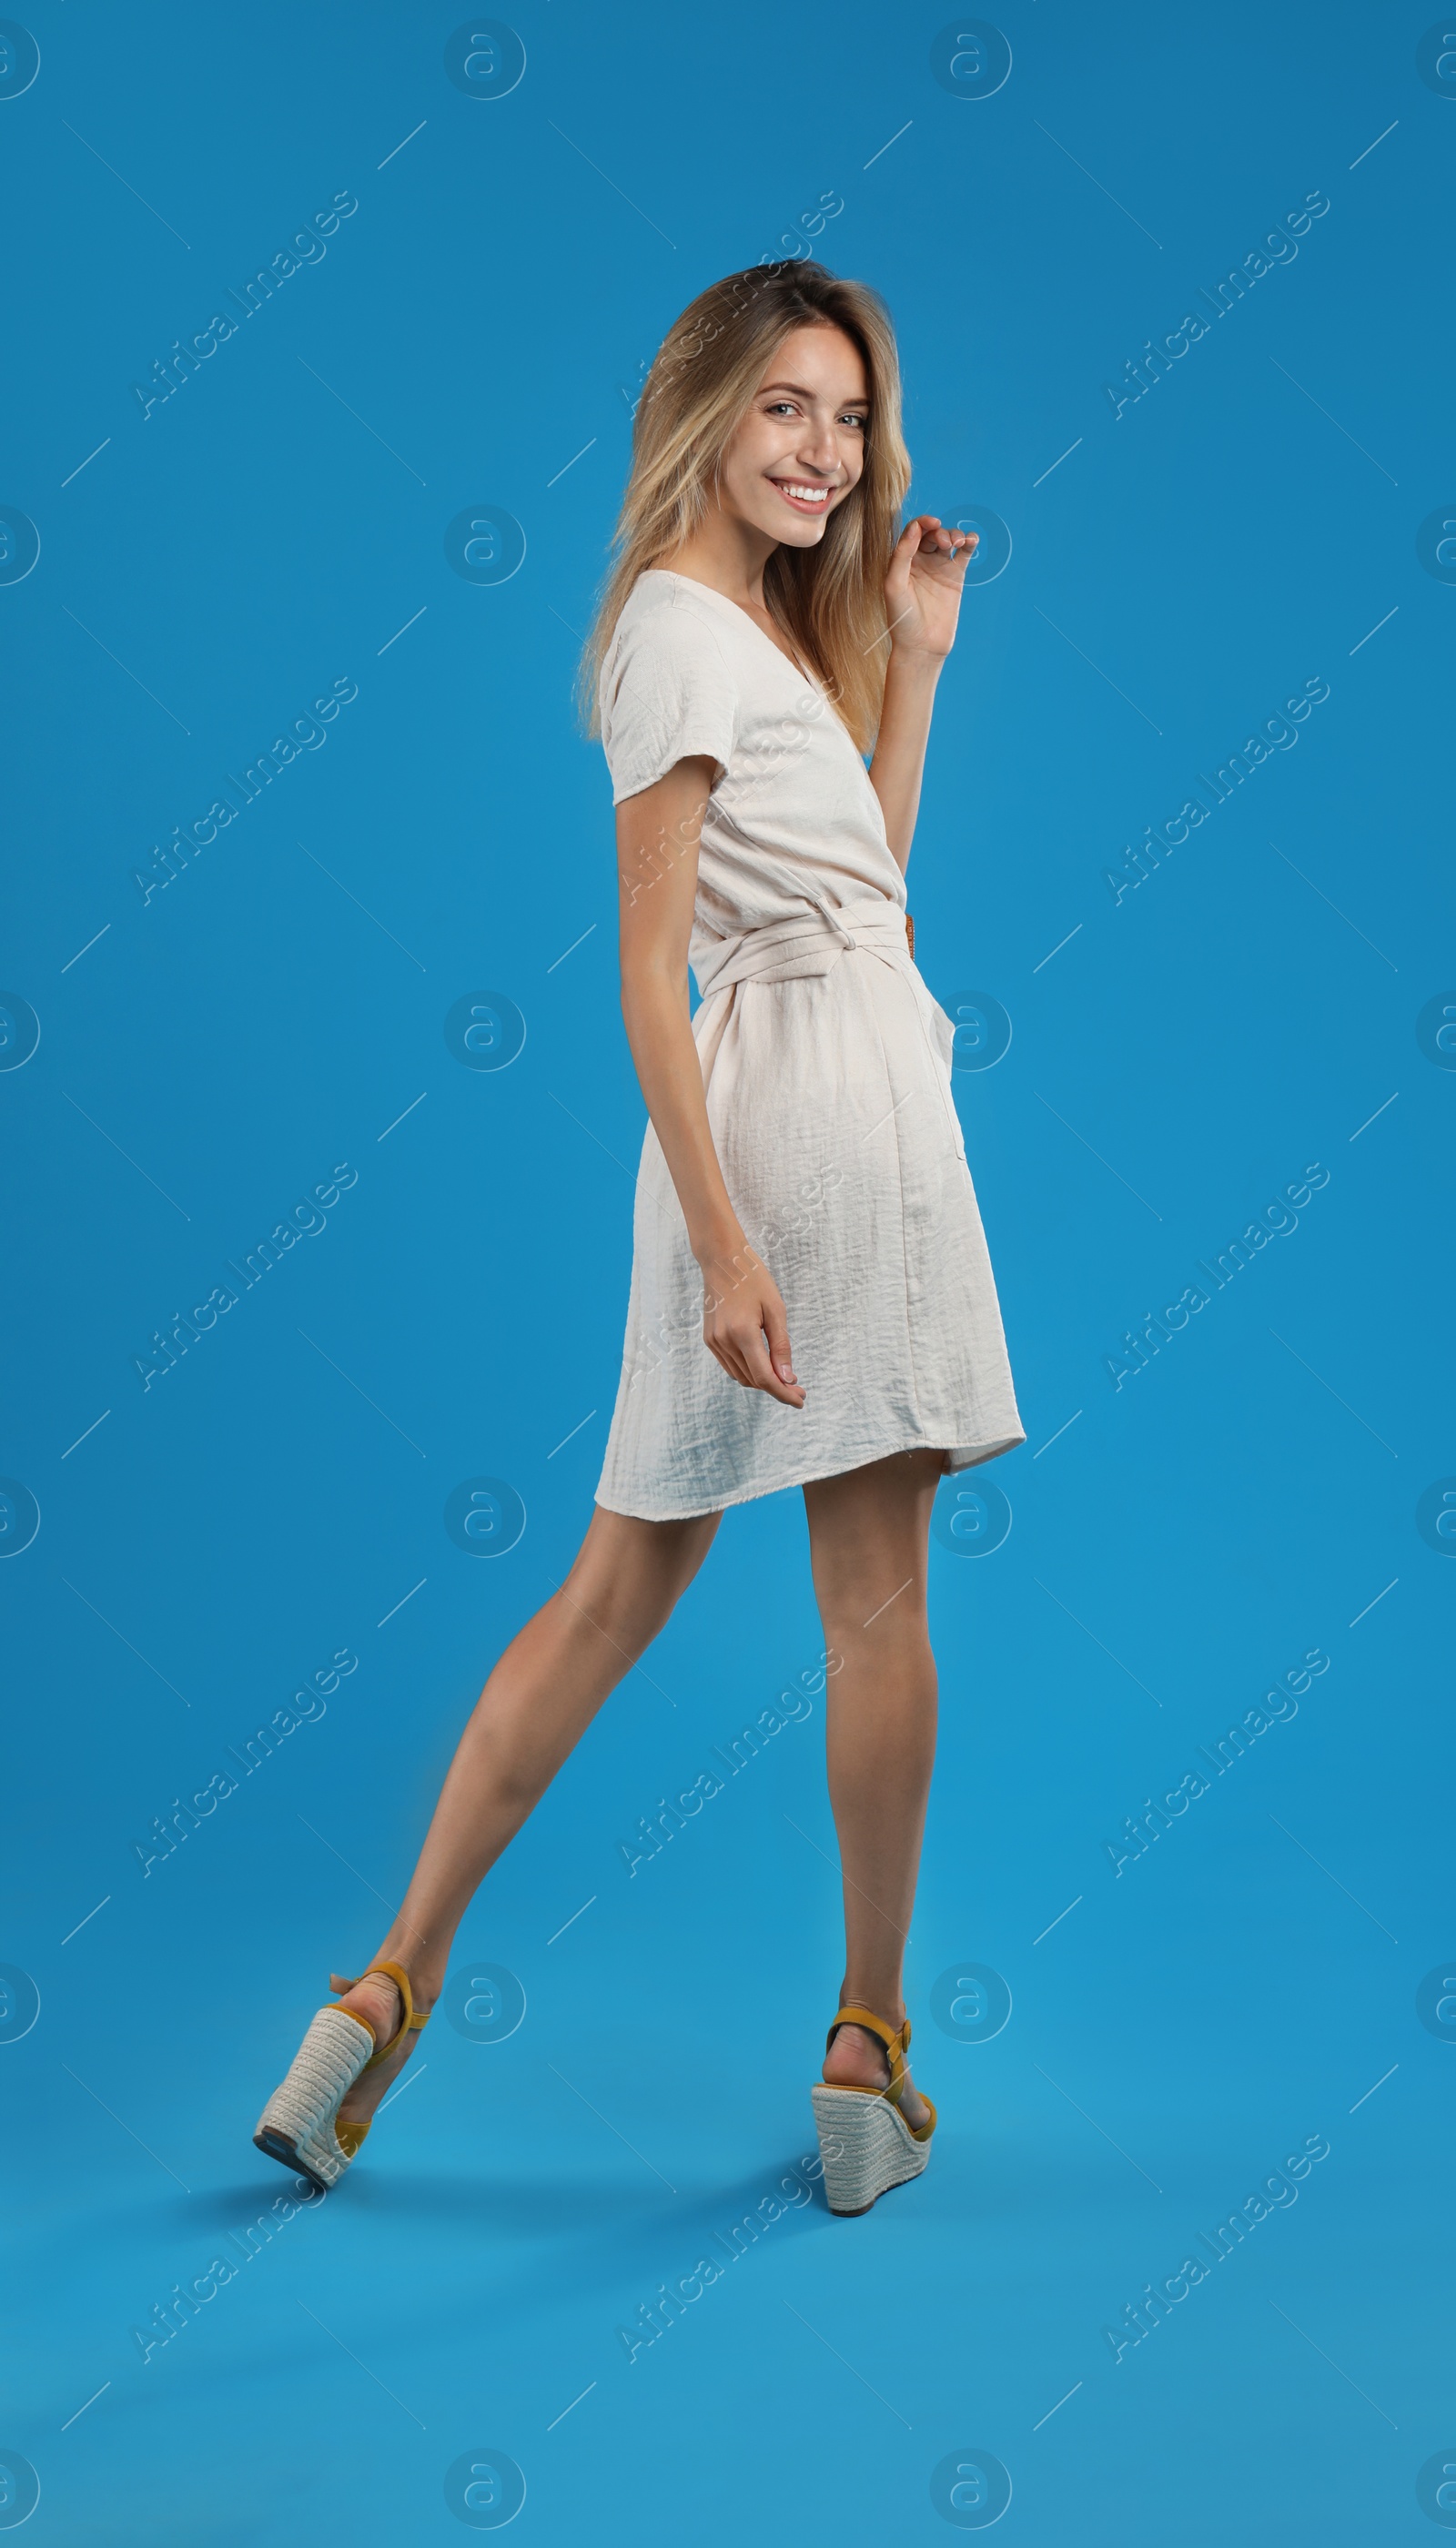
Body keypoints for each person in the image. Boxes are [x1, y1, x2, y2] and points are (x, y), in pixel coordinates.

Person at [254, 261, 1023, 2218]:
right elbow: (639, 969)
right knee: (871, 1609)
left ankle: (379, 1991)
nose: (825, 455)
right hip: (809, 1124)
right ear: (697, 408)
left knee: (612, 1593)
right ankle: (867, 2043)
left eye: (848, 421)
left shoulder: (731, 634)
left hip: (805, 1079)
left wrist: (914, 661)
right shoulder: (682, 638)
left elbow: (853, 906)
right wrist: (722, 1242)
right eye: (784, 407)